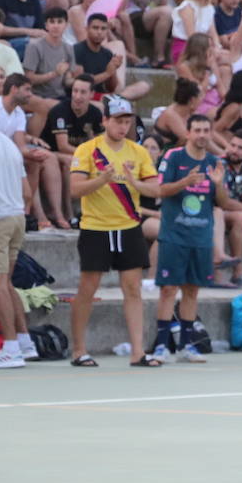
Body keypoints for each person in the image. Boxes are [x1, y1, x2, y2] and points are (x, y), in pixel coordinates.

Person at [67, 97, 162, 367]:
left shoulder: (138, 151)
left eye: (127, 121)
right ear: (105, 121)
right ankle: (79, 350)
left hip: (129, 226)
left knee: (133, 288)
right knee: (88, 288)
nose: (123, 126)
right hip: (96, 227)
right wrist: (101, 180)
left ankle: (137, 352)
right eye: (118, 120)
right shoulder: (87, 150)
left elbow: (155, 190)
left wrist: (133, 182)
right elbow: (74, 189)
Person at [152, 115, 237, 363]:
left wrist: (219, 185)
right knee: (169, 290)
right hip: (174, 234)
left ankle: (186, 346)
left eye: (206, 130)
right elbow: (160, 190)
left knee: (192, 290)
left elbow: (222, 202)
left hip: (201, 237)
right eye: (197, 130)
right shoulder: (174, 157)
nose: (202, 134)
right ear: (188, 133)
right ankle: (160, 346)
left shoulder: (214, 162)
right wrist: (185, 182)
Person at [0, 127, 32, 368]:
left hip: (0, 219)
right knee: (6, 283)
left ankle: (10, 348)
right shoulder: (9, 145)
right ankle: (24, 341)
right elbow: (28, 193)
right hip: (17, 217)